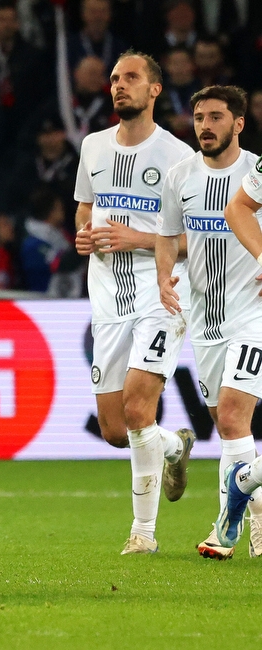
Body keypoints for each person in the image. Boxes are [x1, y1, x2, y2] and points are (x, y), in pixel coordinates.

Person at [73, 51, 196, 555]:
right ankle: (173, 445)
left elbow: (199, 236)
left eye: (131, 78)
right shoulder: (93, 146)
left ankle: (142, 535)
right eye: (115, 79)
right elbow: (86, 207)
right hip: (107, 297)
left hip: (161, 292)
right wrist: (83, 233)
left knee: (139, 407)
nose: (119, 86)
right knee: (116, 430)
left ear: (154, 90)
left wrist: (140, 240)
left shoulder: (179, 157)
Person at [156, 84, 262, 560]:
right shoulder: (180, 175)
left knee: (237, 416)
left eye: (216, 117)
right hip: (204, 317)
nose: (205, 125)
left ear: (238, 124)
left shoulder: (255, 170)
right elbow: (166, 235)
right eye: (199, 117)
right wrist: (163, 278)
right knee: (228, 427)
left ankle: (229, 528)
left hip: (252, 312)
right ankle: (252, 512)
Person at [208, 110, 262, 553]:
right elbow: (238, 207)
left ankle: (245, 482)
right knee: (229, 416)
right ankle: (241, 513)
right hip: (252, 311)